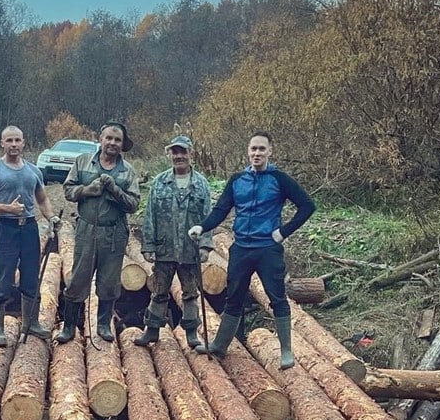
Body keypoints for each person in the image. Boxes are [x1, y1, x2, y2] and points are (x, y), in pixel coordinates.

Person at [188, 130, 315, 366]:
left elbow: (307, 206)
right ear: (248, 151)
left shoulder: (279, 179)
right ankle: (220, 345)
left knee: (276, 297)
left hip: (268, 249)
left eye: (261, 149)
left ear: (270, 151)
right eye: (253, 149)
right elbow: (221, 210)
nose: (257, 153)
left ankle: (286, 351)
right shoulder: (237, 181)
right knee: (234, 297)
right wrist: (202, 227)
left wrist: (283, 232)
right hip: (241, 249)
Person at [56, 121, 140, 343]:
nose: (112, 143)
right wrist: (87, 190)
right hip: (86, 229)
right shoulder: (83, 162)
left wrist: (114, 189)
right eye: (109, 138)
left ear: (122, 145)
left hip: (114, 233)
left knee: (109, 281)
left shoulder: (128, 171)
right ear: (100, 139)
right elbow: (67, 190)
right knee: (78, 279)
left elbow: (133, 205)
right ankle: (69, 326)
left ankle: (103, 324)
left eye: (117, 140)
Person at [0, 125, 61, 346]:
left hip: (30, 229)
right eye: (9, 141)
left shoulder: (34, 171)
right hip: (7, 228)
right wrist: (7, 209)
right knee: (3, 276)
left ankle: (31, 323)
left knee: (31, 276)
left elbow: (42, 199)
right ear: (2, 143)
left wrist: (51, 217)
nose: (14, 145)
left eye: (17, 141)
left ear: (24, 143)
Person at [134, 134, 213, 348]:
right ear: (170, 154)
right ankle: (151, 331)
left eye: (183, 152)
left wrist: (205, 245)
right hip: (164, 247)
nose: (179, 156)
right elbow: (150, 215)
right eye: (175, 152)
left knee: (190, 293)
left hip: (190, 249)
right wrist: (148, 245)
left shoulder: (201, 184)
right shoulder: (160, 182)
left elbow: (208, 216)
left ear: (191, 154)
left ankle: (191, 334)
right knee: (159, 291)